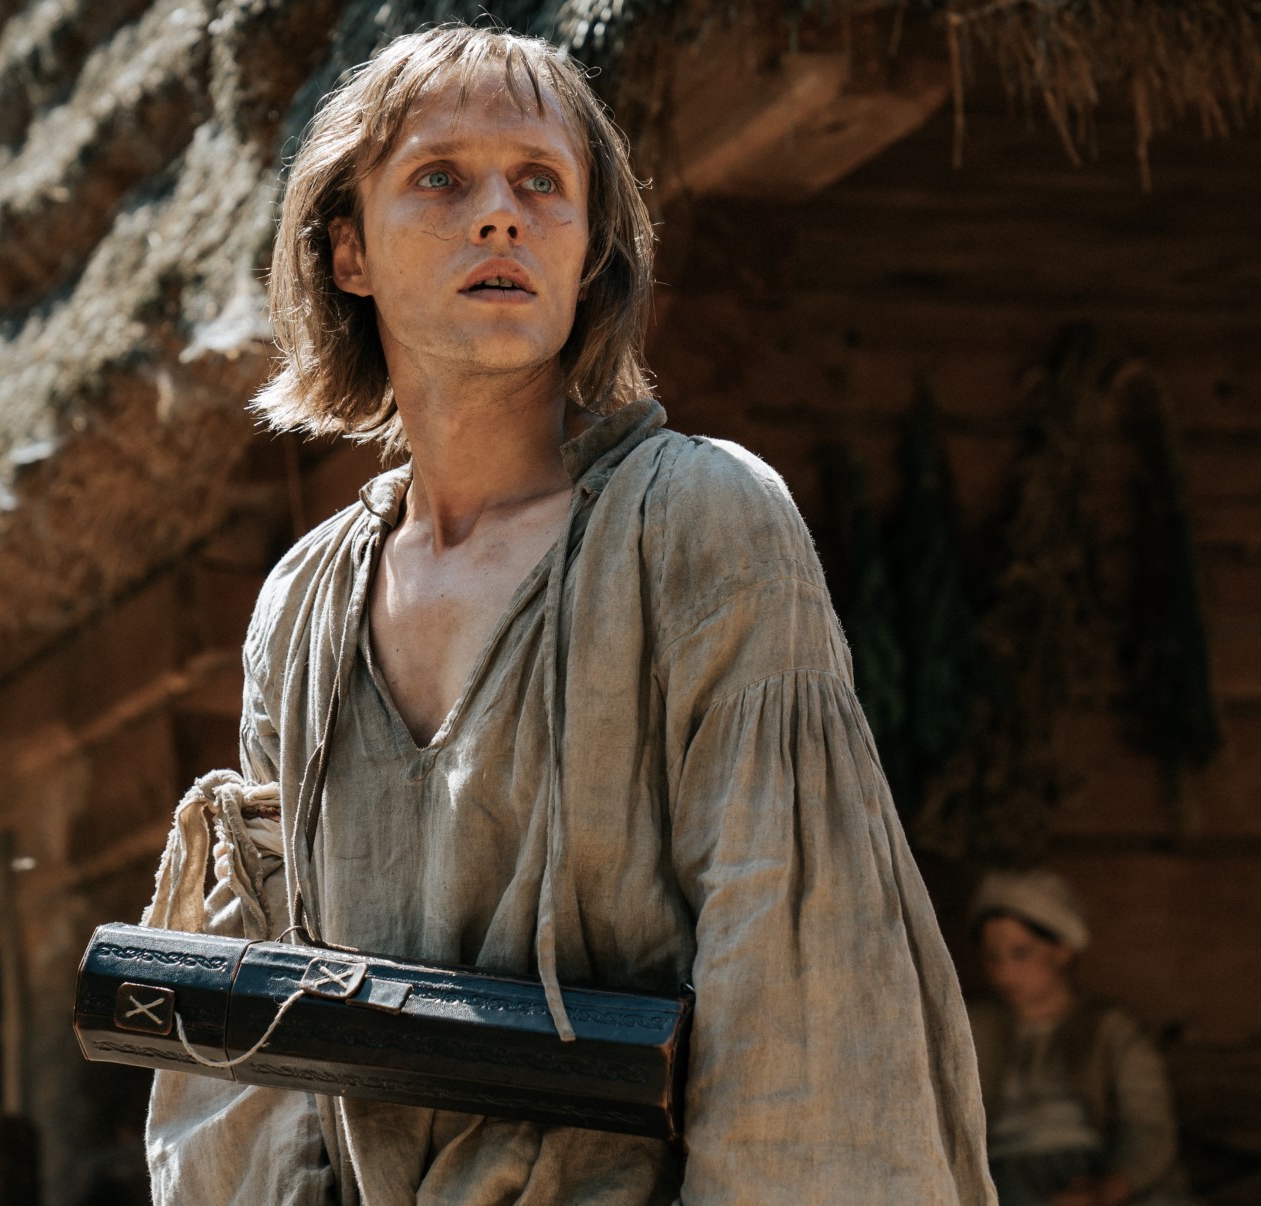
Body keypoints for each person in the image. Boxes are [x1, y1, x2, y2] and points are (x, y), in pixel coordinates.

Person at [143, 23, 993, 1204]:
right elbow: (266, 1053)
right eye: (441, 178)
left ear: (589, 250)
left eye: (542, 182)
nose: (501, 216)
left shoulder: (699, 523)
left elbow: (801, 994)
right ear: (348, 251)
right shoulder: (306, 608)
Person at [970, 869, 1201, 1206]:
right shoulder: (973, 1028)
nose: (1003, 971)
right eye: (992, 956)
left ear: (1062, 950)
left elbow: (1148, 1127)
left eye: (1020, 953)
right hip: (1000, 1179)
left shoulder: (1111, 1030)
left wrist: (1109, 1189)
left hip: (1096, 1175)